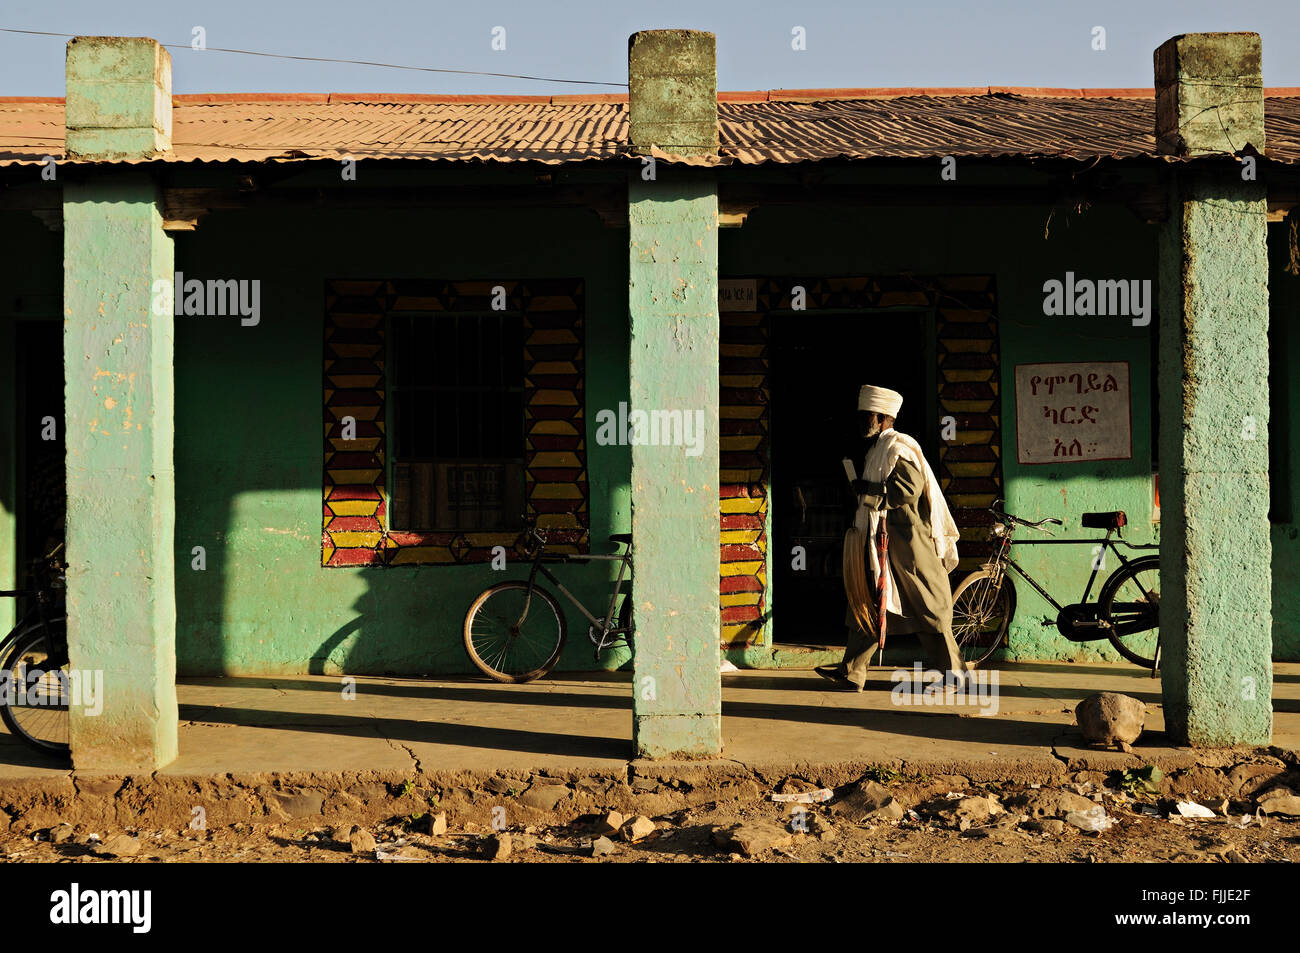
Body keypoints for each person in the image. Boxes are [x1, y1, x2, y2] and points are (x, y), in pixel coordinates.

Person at [816, 385, 965, 692]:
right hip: (880, 540)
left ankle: (955, 674)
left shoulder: (900, 446)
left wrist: (868, 491)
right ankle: (852, 672)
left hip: (909, 543)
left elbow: (907, 491)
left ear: (883, 417)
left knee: (928, 606)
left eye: (867, 416)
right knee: (867, 603)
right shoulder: (877, 449)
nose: (862, 421)